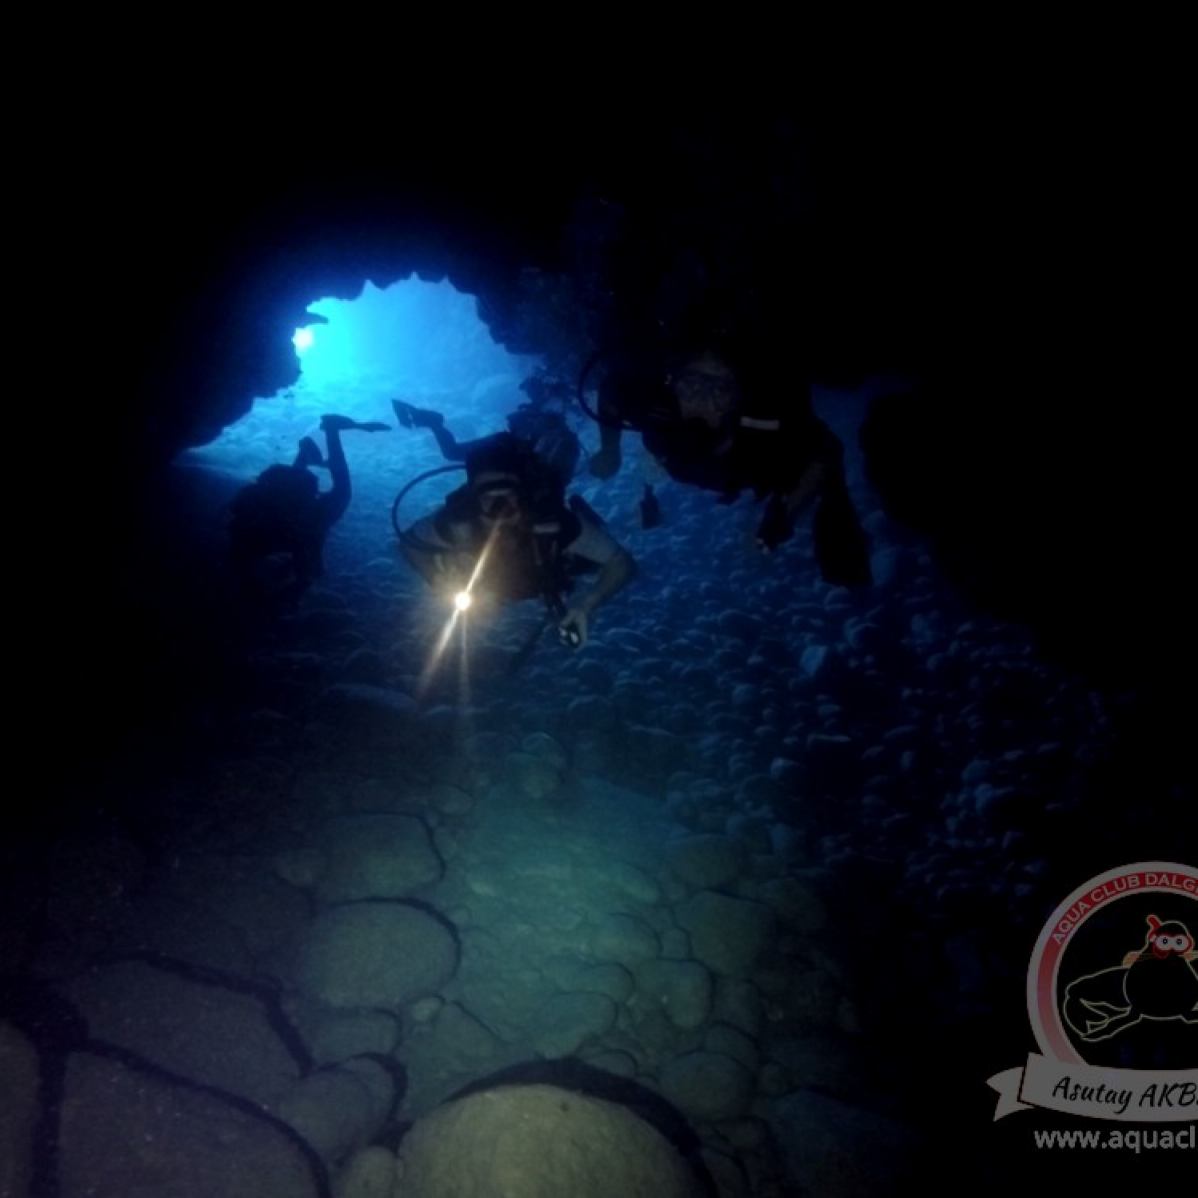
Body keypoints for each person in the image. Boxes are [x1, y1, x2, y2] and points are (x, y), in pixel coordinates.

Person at [587, 342, 872, 586]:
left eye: (719, 390)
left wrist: (782, 517)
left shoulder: (762, 432)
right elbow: (611, 392)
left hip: (744, 471)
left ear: (738, 398)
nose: (702, 401)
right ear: (673, 385)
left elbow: (824, 450)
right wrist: (610, 450)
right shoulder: (656, 408)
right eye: (691, 386)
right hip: (695, 465)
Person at [398, 433, 635, 647]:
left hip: (548, 567)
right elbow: (409, 546)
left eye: (508, 496)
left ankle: (577, 504)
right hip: (503, 580)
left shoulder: (553, 522)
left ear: (523, 496)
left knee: (587, 563)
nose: (501, 510)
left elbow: (621, 562)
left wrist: (586, 604)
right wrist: (437, 579)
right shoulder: (456, 522)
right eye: (490, 499)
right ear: (473, 499)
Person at [229, 413, 387, 605]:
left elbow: (309, 562)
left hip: (292, 511)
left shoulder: (257, 524)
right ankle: (315, 445)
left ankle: (323, 437)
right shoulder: (275, 526)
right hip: (291, 510)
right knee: (332, 494)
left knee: (340, 493)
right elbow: (308, 558)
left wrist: (294, 581)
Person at [393, 393, 581, 490]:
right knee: (452, 452)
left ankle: (433, 422)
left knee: (452, 452)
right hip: (508, 449)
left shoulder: (560, 441)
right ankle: (433, 422)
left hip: (509, 452)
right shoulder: (562, 440)